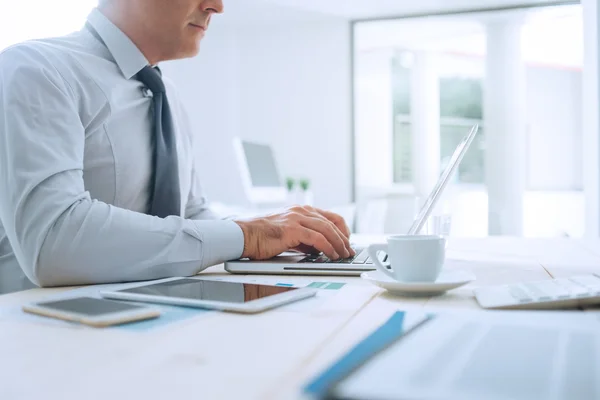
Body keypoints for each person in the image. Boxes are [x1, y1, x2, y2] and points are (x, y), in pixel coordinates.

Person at [0, 0, 354, 294]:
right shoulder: (36, 70)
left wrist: (278, 235)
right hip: (45, 338)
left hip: (151, 322)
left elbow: (192, 215)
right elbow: (53, 241)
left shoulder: (168, 97)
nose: (217, 6)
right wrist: (247, 236)